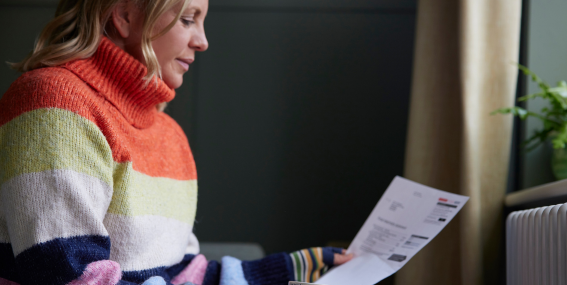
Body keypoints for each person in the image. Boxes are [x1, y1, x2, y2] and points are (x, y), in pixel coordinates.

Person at [0, 0, 353, 284]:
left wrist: (290, 270)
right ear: (124, 15)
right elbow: (67, 274)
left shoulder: (170, 135)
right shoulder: (53, 102)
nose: (203, 41)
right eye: (188, 19)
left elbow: (181, 274)